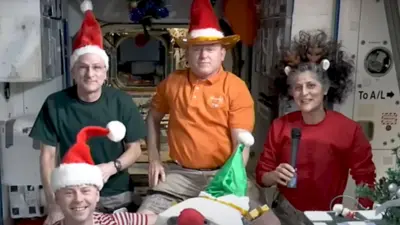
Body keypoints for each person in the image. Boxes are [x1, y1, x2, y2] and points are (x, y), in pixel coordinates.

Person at [29, 1, 146, 224]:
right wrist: (53, 202)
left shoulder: (121, 101)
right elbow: (47, 156)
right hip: (72, 195)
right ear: (73, 71)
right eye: (83, 67)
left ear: (105, 72)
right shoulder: (55, 103)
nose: (90, 73)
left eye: (97, 67)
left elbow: (135, 150)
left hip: (116, 195)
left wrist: (111, 168)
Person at [139, 0, 255, 215]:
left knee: (260, 220)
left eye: (210, 49)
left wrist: (231, 179)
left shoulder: (236, 87)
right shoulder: (172, 82)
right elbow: (152, 118)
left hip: (222, 173)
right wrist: (154, 159)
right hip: (179, 175)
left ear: (222, 53)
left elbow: (241, 142)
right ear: (188, 53)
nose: (204, 55)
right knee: (144, 218)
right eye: (197, 49)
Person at [255, 30, 376, 211]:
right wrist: (274, 175)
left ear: (326, 88)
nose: (304, 93)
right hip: (285, 214)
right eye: (298, 87)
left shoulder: (348, 129)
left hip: (327, 215)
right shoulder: (280, 126)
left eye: (311, 85)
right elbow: (261, 176)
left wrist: (363, 215)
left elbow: (365, 177)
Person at [50, 124, 157, 225]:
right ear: (57, 198)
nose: (78, 199)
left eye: (85, 191)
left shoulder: (119, 221)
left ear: (97, 195)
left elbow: (166, 221)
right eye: (69, 193)